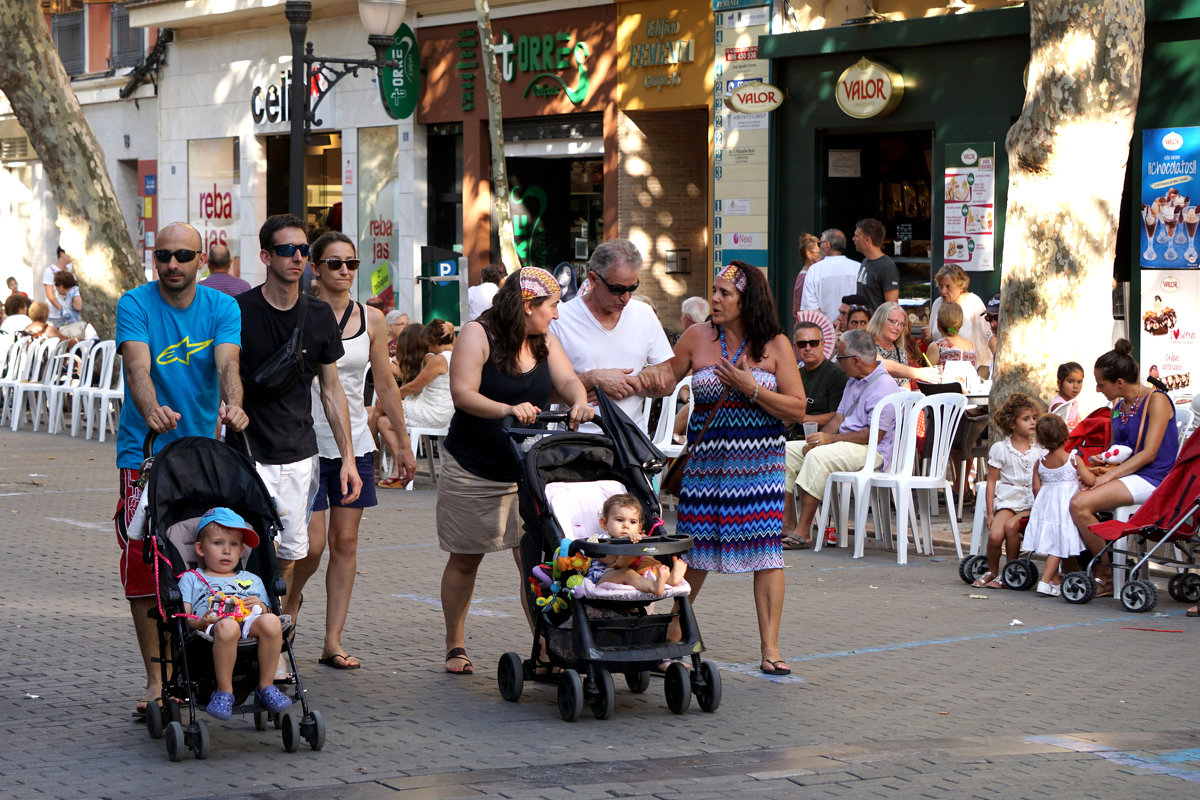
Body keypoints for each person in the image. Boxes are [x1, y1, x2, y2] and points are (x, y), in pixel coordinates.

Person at [114, 221, 248, 721]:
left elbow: (229, 366)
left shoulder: (222, 307)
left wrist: (234, 407)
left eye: (183, 256)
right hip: (144, 453)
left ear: (200, 260)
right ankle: (156, 678)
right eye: (163, 255)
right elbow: (138, 368)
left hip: (203, 452)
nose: (172, 264)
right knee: (146, 564)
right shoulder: (135, 303)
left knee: (205, 556)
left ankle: (205, 668)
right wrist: (150, 409)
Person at [437, 267, 593, 674]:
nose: (557, 315)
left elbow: (568, 380)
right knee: (466, 558)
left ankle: (545, 649)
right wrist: (508, 409)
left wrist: (578, 400)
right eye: (552, 306)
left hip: (526, 469)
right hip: (475, 465)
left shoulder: (542, 339)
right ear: (528, 305)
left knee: (536, 565)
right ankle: (455, 643)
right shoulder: (478, 333)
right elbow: (463, 393)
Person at [664, 261, 806, 675]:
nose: (716, 299)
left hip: (759, 466)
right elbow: (665, 377)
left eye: (725, 293)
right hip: (707, 466)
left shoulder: (776, 345)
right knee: (693, 554)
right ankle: (672, 638)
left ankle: (771, 650)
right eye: (714, 291)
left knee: (767, 553)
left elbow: (797, 408)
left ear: (748, 299)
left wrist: (752, 388)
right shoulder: (696, 337)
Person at [285, 232, 415, 670]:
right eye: (335, 263)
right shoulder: (297, 312)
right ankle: (292, 598)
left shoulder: (372, 319)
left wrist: (402, 439)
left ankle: (332, 641)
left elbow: (386, 383)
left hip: (354, 444)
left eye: (351, 264)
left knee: (345, 541)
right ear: (315, 268)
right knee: (311, 546)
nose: (345, 271)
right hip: (303, 442)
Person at [237, 214, 363, 642]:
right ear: (265, 256)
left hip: (299, 454)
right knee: (248, 552)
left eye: (303, 250)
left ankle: (271, 636)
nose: (297, 257)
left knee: (292, 554)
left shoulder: (320, 316)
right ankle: (250, 640)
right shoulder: (239, 311)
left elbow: (332, 391)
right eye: (287, 249)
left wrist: (348, 460)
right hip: (247, 453)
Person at [1070, 339, 1178, 599]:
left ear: (1119, 382)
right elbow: (1117, 451)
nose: (1097, 389)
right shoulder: (1119, 407)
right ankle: (1077, 566)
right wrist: (1098, 466)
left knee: (1079, 505)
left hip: (1154, 478)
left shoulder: (1157, 401)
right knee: (1067, 492)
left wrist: (1106, 477)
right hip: (1128, 475)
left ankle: (1106, 575)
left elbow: (1149, 453)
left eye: (1100, 384)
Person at [781, 329, 903, 551]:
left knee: (819, 457)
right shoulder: (853, 380)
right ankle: (787, 525)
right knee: (783, 452)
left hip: (872, 450)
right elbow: (838, 417)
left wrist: (829, 440)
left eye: (840, 356)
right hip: (845, 443)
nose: (836, 360)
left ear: (855, 360)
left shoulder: (884, 386)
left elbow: (874, 436)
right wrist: (817, 440)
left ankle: (803, 531)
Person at [177, 507, 293, 719]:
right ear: (200, 549)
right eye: (218, 543)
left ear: (242, 550)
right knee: (228, 625)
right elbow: (185, 618)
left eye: (234, 544)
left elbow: (266, 612)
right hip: (212, 628)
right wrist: (201, 622)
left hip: (249, 626)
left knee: (272, 622)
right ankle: (224, 691)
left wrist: (260, 604)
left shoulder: (252, 579)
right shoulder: (191, 578)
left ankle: (266, 687)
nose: (227, 551)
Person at [549, 239, 674, 431]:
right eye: (617, 289)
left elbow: (670, 383)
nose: (625, 297)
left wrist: (643, 382)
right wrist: (591, 379)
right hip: (575, 444)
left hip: (631, 445)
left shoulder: (644, 314)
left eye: (632, 288)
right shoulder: (559, 318)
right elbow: (541, 393)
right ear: (593, 279)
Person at [781, 319, 849, 544]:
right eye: (802, 344)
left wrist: (802, 418)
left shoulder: (836, 374)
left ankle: (801, 530)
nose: (807, 348)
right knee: (770, 451)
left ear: (823, 344)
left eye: (813, 342)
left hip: (827, 439)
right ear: (795, 347)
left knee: (806, 454)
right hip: (796, 437)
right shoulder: (797, 374)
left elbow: (838, 415)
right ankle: (785, 524)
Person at [973, 393, 1043, 589]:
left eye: (1034, 418)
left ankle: (1009, 570)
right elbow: (991, 482)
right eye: (1026, 419)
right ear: (1012, 423)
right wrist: (990, 512)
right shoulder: (1000, 448)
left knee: (1012, 527)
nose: (1032, 423)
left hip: (1030, 501)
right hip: (1008, 500)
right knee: (995, 535)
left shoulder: (1039, 449)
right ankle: (992, 570)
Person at [376, 319, 456, 488]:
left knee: (382, 408)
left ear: (434, 342)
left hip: (433, 412)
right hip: (443, 412)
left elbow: (414, 386)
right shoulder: (455, 354)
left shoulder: (439, 360)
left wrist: (389, 397)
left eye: (429, 344)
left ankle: (389, 468)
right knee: (383, 421)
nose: (428, 349)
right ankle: (399, 468)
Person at [1023, 415, 1095, 597]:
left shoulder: (1041, 462)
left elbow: (1036, 487)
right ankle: (1045, 581)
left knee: (1050, 544)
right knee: (1057, 546)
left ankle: (1056, 581)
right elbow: (1090, 479)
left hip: (1046, 506)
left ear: (1040, 439)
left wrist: (1041, 505)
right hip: (1064, 508)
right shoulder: (1072, 459)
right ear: (1065, 434)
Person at [587, 494, 687, 596]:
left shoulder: (637, 538)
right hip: (603, 578)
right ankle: (653, 587)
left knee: (649, 567)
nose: (626, 526)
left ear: (639, 528)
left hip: (635, 573)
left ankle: (670, 579)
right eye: (619, 520)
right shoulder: (602, 540)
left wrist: (644, 542)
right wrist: (624, 542)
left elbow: (648, 554)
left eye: (632, 522)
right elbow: (608, 560)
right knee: (626, 573)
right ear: (604, 523)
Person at [927, 264, 992, 371]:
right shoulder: (937, 304)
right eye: (940, 286)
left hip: (972, 372)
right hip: (941, 375)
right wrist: (927, 339)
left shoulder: (974, 303)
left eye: (948, 287)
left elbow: (989, 336)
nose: (943, 291)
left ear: (961, 286)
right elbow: (935, 342)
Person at [866, 302, 939, 387]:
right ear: (880, 320)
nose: (898, 328)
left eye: (902, 324)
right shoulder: (865, 344)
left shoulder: (898, 348)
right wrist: (918, 373)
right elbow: (882, 364)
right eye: (894, 322)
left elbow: (905, 385)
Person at [800, 229, 860, 326]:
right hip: (853, 327)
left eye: (820, 244)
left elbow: (809, 307)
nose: (819, 248)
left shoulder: (814, 270)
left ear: (827, 245)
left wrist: (828, 327)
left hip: (825, 332)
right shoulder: (857, 268)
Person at [852, 219, 899, 310]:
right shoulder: (865, 261)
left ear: (867, 240)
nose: (853, 239)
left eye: (856, 236)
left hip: (876, 323)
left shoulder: (887, 267)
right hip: (863, 322)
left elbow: (892, 308)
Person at [926, 302, 977, 369]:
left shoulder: (936, 347)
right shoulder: (971, 346)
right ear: (961, 324)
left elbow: (930, 375)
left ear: (938, 324)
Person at [791, 233, 822, 324]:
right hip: (806, 326)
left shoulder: (809, 275)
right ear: (809, 254)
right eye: (819, 252)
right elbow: (800, 309)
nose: (822, 254)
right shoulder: (804, 278)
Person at [1048, 362, 1085, 430]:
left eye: (1079, 382)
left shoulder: (1072, 400)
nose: (1076, 386)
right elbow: (1059, 432)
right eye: (1070, 381)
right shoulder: (1060, 405)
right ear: (1059, 383)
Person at [42, 246, 73, 328]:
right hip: (55, 316)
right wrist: (63, 310)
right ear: (62, 254)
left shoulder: (70, 270)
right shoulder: (50, 271)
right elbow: (50, 295)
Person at [52, 271, 88, 339]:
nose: (56, 287)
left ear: (61, 285)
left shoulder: (75, 293)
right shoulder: (68, 294)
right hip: (70, 330)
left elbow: (79, 308)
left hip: (77, 331)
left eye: (56, 284)